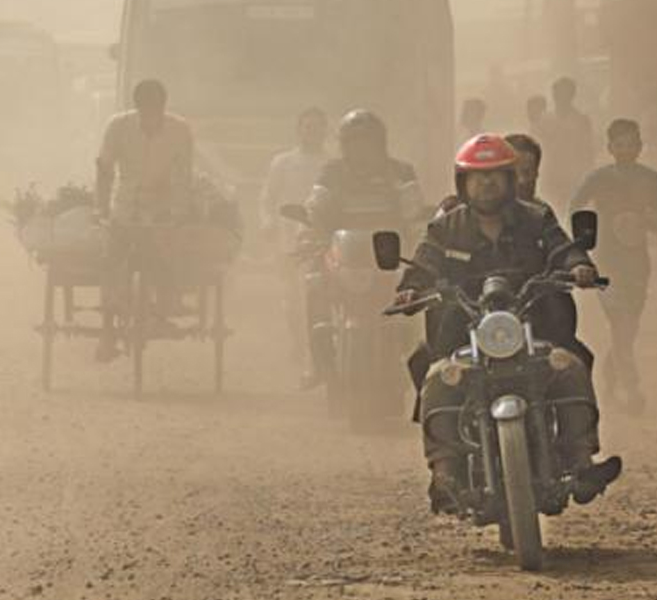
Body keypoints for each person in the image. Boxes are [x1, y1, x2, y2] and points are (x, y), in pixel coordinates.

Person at [394, 134, 621, 512]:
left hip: (535, 326)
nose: (486, 185)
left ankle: (581, 463)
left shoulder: (537, 218)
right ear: (462, 183)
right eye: (477, 177)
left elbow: (561, 246)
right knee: (437, 376)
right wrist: (410, 289)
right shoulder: (446, 228)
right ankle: (445, 476)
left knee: (571, 366)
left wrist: (579, 266)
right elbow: (423, 263)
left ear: (512, 180)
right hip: (464, 331)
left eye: (495, 176)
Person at [301, 109, 423, 389]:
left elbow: (414, 213)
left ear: (380, 142)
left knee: (419, 291)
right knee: (314, 282)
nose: (361, 148)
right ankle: (323, 362)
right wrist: (309, 231)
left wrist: (421, 238)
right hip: (342, 257)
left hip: (391, 258)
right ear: (344, 145)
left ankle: (412, 356)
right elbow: (316, 207)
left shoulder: (400, 172)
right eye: (354, 141)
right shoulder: (332, 172)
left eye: (367, 141)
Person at [571, 119, 657, 415]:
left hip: (638, 263)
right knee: (620, 323)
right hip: (606, 261)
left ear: (640, 146)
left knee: (628, 328)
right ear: (609, 147)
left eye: (631, 144)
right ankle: (632, 387)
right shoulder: (599, 178)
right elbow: (576, 206)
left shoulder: (651, 178)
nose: (626, 150)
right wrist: (585, 236)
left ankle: (611, 375)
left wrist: (650, 218)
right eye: (619, 144)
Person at [94, 79, 194, 362]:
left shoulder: (180, 130)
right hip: (123, 206)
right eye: (145, 110)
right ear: (137, 108)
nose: (151, 117)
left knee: (166, 260)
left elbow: (183, 175)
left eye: (156, 110)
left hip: (161, 210)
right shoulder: (118, 126)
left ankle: (163, 309)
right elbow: (104, 168)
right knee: (111, 262)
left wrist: (180, 212)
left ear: (163, 107)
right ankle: (107, 333)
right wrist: (99, 207)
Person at [260, 107, 330, 369]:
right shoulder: (283, 163)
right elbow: (267, 199)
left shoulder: (332, 165)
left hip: (320, 239)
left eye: (317, 127)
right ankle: (297, 345)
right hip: (288, 239)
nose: (312, 132)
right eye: (308, 127)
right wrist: (268, 223)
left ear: (325, 132)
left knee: (319, 295)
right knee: (292, 299)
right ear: (299, 130)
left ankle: (319, 348)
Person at [539, 77, 594, 212]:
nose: (560, 97)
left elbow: (587, 149)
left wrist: (585, 171)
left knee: (571, 209)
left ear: (571, 95)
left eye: (564, 93)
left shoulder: (581, 120)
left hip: (572, 173)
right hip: (550, 172)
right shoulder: (545, 119)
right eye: (557, 93)